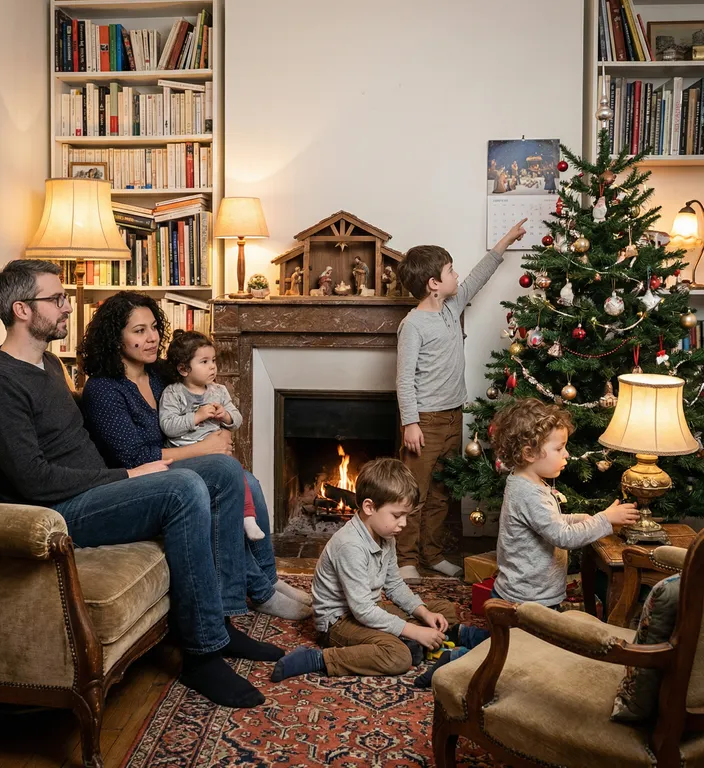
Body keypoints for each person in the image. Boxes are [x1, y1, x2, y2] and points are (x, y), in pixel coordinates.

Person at [0, 260, 283, 710]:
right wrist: (129, 474)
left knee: (226, 471)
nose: (65, 307)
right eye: (55, 299)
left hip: (96, 492)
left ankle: (224, 619)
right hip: (59, 511)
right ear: (21, 309)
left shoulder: (50, 367)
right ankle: (203, 655)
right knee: (184, 488)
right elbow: (32, 479)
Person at [78, 291, 312, 622]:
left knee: (249, 482)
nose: (151, 337)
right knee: (227, 474)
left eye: (153, 327)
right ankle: (259, 592)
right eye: (138, 330)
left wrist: (221, 421)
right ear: (116, 338)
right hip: (140, 476)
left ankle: (269, 579)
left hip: (176, 461)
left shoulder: (160, 373)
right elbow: (132, 456)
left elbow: (199, 396)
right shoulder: (104, 389)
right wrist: (204, 449)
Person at [270, 458, 488, 683]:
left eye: (406, 516)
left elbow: (394, 585)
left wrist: (423, 614)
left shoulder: (386, 535)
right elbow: (361, 610)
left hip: (368, 609)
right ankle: (318, 658)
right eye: (397, 515)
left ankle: (443, 635)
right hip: (339, 622)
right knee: (397, 657)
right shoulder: (350, 545)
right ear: (369, 507)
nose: (403, 523)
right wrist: (412, 630)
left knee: (442, 609)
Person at [395, 218, 528, 582]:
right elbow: (404, 378)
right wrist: (410, 423)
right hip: (423, 422)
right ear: (433, 284)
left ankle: (431, 553)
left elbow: (478, 276)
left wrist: (505, 240)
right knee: (413, 494)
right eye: (450, 270)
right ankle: (404, 559)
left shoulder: (452, 309)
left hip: (454, 417)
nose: (457, 276)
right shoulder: (413, 325)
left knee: (441, 493)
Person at [489, 398, 640, 608]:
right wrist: (604, 519)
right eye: (559, 448)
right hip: (527, 599)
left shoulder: (527, 482)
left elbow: (550, 522)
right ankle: (469, 635)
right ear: (529, 453)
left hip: (531, 592)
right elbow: (563, 536)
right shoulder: (529, 494)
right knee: (523, 640)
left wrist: (583, 519)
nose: (567, 454)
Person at [158, 328, 264, 541]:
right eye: (204, 362)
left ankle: (248, 518)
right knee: (232, 472)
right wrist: (196, 417)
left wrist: (226, 416)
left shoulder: (219, 391)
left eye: (213, 360)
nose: (212, 366)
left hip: (218, 453)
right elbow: (168, 426)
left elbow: (237, 420)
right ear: (184, 369)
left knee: (242, 477)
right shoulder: (173, 393)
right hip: (186, 454)